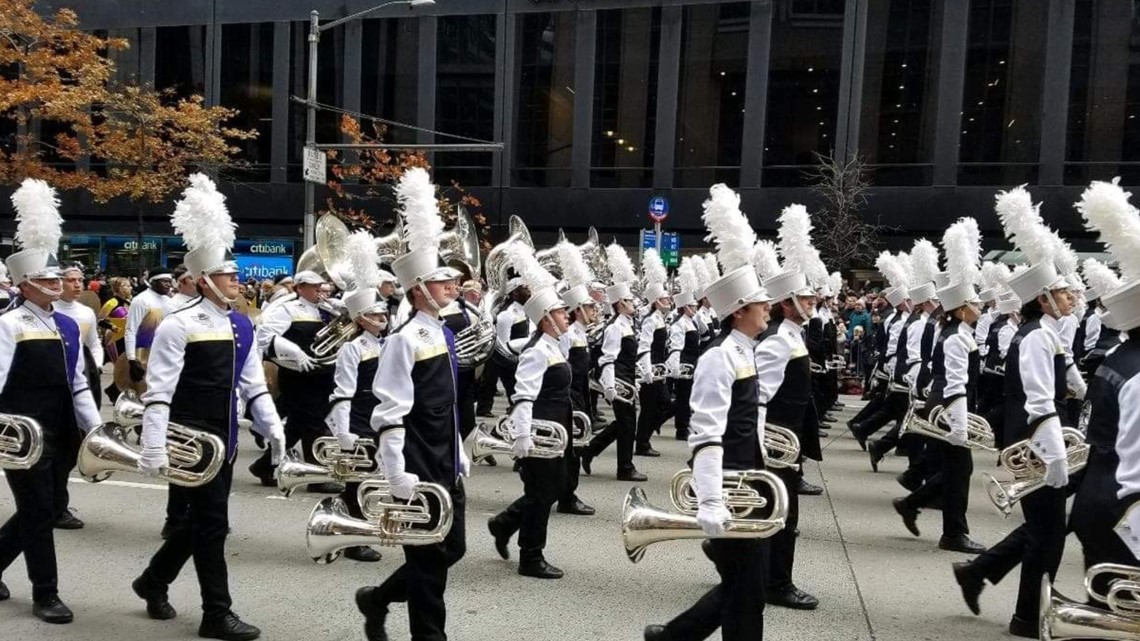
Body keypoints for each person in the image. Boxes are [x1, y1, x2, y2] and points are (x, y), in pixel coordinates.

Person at [131, 175, 285, 641]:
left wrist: (273, 428)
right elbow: (158, 390)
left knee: (203, 519)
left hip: (227, 434)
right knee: (213, 523)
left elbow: (252, 382)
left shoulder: (241, 321)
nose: (238, 281)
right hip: (189, 435)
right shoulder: (176, 325)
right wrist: (154, 446)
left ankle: (152, 580)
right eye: (230, 275)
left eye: (237, 275)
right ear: (203, 280)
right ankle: (216, 613)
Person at [951, 188, 1083, 638]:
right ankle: (1026, 616)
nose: (1070, 297)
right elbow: (1039, 401)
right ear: (1043, 299)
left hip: (1044, 440)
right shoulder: (1034, 337)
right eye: (1062, 293)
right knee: (1047, 533)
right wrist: (1056, 457)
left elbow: (1062, 382)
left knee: (1047, 529)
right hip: (1035, 444)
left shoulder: (1048, 334)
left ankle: (981, 574)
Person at [645, 184, 775, 641]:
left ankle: (672, 637)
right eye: (760, 303)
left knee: (748, 587)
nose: (768, 308)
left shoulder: (748, 350)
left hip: (749, 480)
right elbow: (705, 432)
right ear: (738, 311)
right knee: (747, 589)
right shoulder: (719, 356)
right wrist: (712, 498)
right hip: (730, 485)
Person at [356, 166, 468, 641]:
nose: (453, 287)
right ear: (418, 288)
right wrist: (395, 467)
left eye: (451, 282)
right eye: (443, 283)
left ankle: (376, 598)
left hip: (444, 452)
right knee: (426, 558)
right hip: (417, 456)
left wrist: (459, 447)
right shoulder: (402, 339)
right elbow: (391, 407)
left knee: (451, 548)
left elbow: (449, 399)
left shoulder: (441, 330)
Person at [0, 179, 102, 624]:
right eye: (47, 278)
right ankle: (47, 594)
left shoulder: (67, 324)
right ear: (24, 284)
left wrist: (95, 427)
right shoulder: (8, 324)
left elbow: (78, 381)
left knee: (38, 507)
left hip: (60, 427)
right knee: (41, 511)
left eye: (58, 276)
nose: (58, 282)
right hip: (20, 431)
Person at [892, 221, 986, 554]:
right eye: (974, 304)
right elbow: (955, 382)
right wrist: (959, 424)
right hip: (949, 407)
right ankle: (954, 533)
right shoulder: (958, 336)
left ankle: (912, 503)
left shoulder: (957, 332)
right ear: (961, 308)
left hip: (946, 406)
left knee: (957, 469)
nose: (979, 308)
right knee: (959, 471)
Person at [488, 246, 571, 578]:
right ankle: (531, 557)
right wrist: (522, 435)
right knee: (541, 494)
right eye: (563, 313)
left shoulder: (554, 345)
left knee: (552, 487)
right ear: (547, 318)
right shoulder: (537, 351)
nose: (568, 316)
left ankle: (504, 522)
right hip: (539, 430)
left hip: (557, 426)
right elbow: (523, 397)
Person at [325, 235, 391, 565]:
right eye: (376, 315)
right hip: (358, 416)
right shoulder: (352, 348)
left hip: (379, 414)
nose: (384, 318)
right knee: (357, 482)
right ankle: (354, 538)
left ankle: (356, 526)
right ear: (360, 318)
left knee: (372, 478)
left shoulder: (385, 345)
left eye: (383, 314)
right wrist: (343, 432)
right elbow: (343, 392)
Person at [250, 270, 338, 490]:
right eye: (313, 286)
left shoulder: (327, 310)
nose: (319, 290)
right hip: (297, 375)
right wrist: (294, 351)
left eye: (321, 286)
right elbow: (265, 335)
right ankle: (316, 478)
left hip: (322, 373)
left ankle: (265, 465)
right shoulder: (287, 309)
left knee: (298, 426)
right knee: (313, 425)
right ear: (300, 288)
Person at [580, 243, 647, 482]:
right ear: (620, 304)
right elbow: (607, 358)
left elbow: (630, 356)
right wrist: (608, 387)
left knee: (625, 423)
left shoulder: (628, 324)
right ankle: (625, 467)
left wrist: (636, 378)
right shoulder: (615, 328)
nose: (633, 304)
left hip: (627, 378)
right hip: (617, 379)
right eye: (629, 301)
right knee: (628, 424)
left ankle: (589, 450)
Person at [51, 261, 105, 530]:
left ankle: (53, 503)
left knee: (74, 444)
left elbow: (94, 344)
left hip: (82, 382)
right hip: (54, 386)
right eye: (71, 280)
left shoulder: (85, 313)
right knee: (56, 449)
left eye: (79, 280)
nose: (77, 285)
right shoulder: (49, 314)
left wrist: (95, 365)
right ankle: (55, 506)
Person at [635, 250, 672, 457]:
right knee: (649, 409)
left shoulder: (660, 318)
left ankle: (643, 437)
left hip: (659, 369)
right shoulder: (650, 319)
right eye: (664, 298)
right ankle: (641, 443)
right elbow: (645, 346)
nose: (668, 301)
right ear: (656, 301)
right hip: (650, 370)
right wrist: (647, 371)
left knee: (664, 405)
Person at [667, 266, 701, 442]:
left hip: (692, 363)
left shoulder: (691, 321)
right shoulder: (679, 323)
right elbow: (676, 347)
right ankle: (681, 428)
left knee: (688, 398)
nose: (696, 308)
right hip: (683, 365)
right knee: (683, 399)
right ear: (685, 306)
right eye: (693, 305)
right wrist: (675, 368)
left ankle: (686, 425)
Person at [124, 269, 174, 388]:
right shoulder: (141, 300)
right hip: (142, 354)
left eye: (170, 281)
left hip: (162, 353)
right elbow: (131, 330)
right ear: (153, 282)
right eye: (164, 281)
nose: (168, 285)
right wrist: (131, 359)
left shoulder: (168, 301)